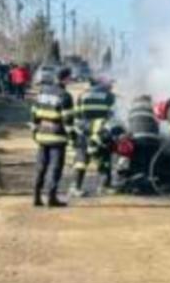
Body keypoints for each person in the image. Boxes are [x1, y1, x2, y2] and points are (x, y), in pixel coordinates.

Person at [30, 67, 75, 207]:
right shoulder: (65, 95)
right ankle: (51, 198)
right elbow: (68, 120)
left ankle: (36, 197)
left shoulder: (42, 92)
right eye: (70, 77)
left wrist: (35, 132)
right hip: (57, 137)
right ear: (65, 79)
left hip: (42, 135)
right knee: (55, 168)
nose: (71, 80)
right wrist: (73, 137)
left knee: (41, 166)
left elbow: (34, 113)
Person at [70, 79, 117, 197]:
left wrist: (78, 132)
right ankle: (104, 186)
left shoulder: (82, 95)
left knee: (81, 160)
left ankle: (76, 187)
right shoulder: (110, 96)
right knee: (104, 158)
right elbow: (113, 117)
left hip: (84, 131)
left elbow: (77, 116)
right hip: (101, 131)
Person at [124, 94, 163, 192]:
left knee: (137, 165)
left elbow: (127, 127)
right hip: (153, 141)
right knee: (150, 164)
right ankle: (151, 187)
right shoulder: (154, 108)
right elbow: (159, 124)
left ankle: (137, 187)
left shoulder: (131, 110)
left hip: (137, 141)